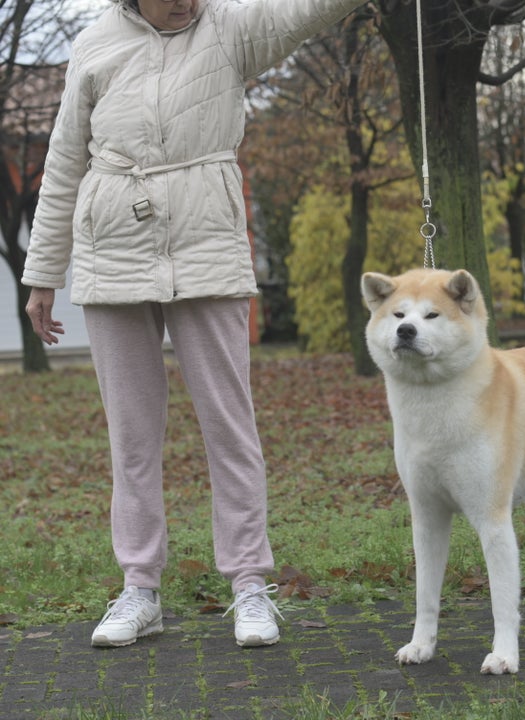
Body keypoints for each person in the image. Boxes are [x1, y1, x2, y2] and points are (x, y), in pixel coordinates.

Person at [22, 0, 369, 648]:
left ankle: (249, 586)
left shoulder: (231, 29)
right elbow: (66, 162)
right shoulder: (96, 44)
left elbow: (308, 11)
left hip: (207, 251)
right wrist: (43, 272)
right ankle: (139, 589)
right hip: (112, 258)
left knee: (230, 428)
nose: (186, 1)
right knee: (131, 437)